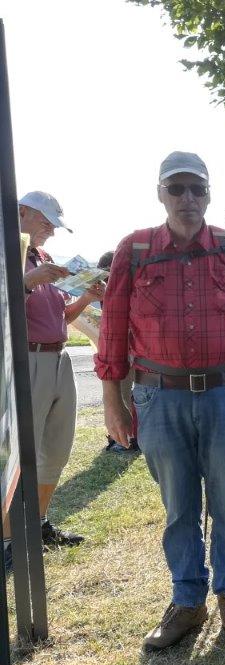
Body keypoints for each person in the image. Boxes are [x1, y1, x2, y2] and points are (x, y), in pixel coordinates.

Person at [96, 151, 225, 656]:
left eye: (197, 190)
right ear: (161, 193)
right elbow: (112, 332)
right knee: (179, 507)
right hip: (158, 398)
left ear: (209, 195)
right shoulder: (134, 250)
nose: (187, 199)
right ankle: (187, 600)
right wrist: (114, 400)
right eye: (177, 189)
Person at [3, 191, 96, 573]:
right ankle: (8, 539)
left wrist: (89, 294)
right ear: (22, 213)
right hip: (25, 360)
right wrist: (27, 282)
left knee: (55, 449)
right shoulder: (9, 254)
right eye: (46, 224)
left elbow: (63, 315)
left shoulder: (44, 259)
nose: (51, 234)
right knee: (19, 454)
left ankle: (38, 524)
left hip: (58, 358)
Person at [97, 250, 139, 454]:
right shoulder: (107, 290)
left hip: (126, 352)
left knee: (124, 394)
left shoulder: (123, 290)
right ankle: (126, 438)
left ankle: (125, 439)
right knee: (126, 394)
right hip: (121, 352)